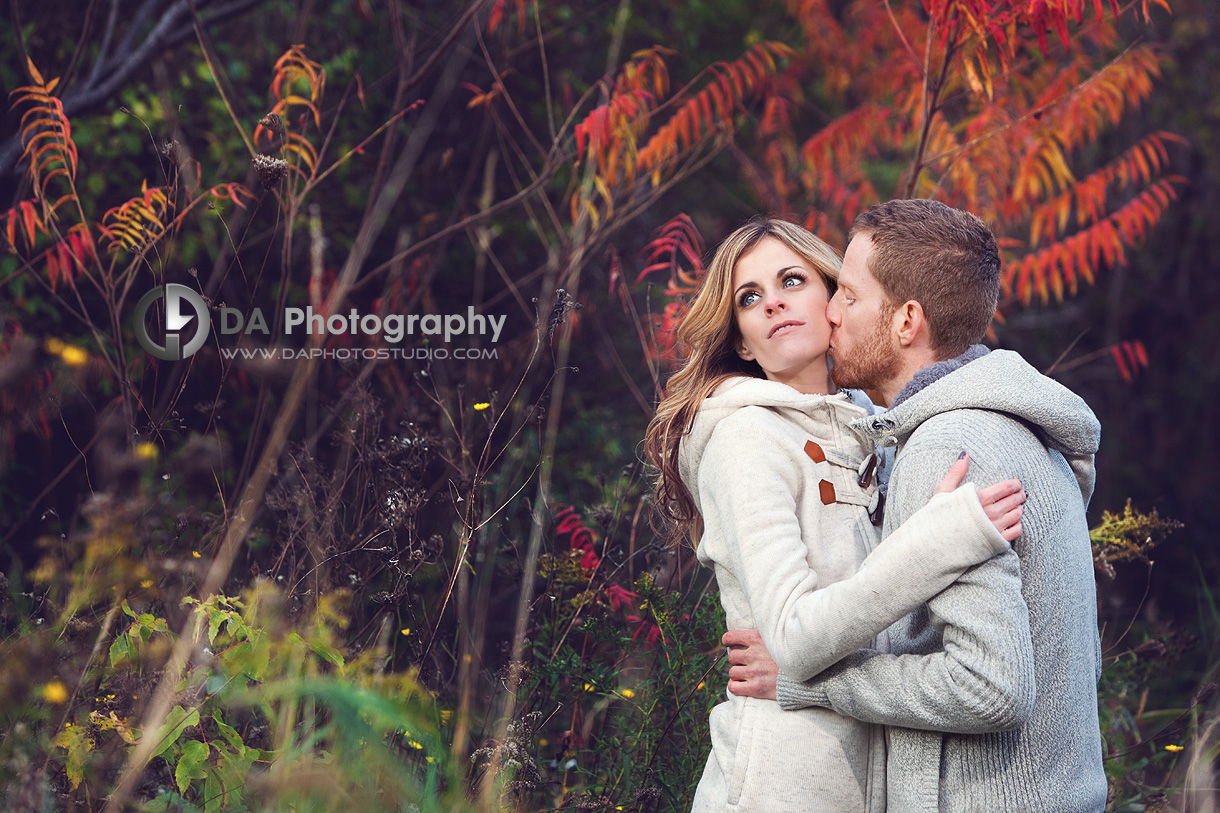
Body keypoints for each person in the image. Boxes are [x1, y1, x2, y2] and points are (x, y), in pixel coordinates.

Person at [723, 199, 1107, 812]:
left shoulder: (948, 448)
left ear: (905, 321)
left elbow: (990, 688)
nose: (830, 311)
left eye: (847, 295)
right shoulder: (1010, 425)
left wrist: (813, 681)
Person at [642, 217, 1029, 812]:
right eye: (750, 299)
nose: (772, 303)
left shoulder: (875, 435)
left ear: (835, 303)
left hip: (876, 775)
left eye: (791, 281)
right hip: (782, 782)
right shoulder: (745, 437)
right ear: (743, 342)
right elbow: (792, 635)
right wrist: (939, 541)